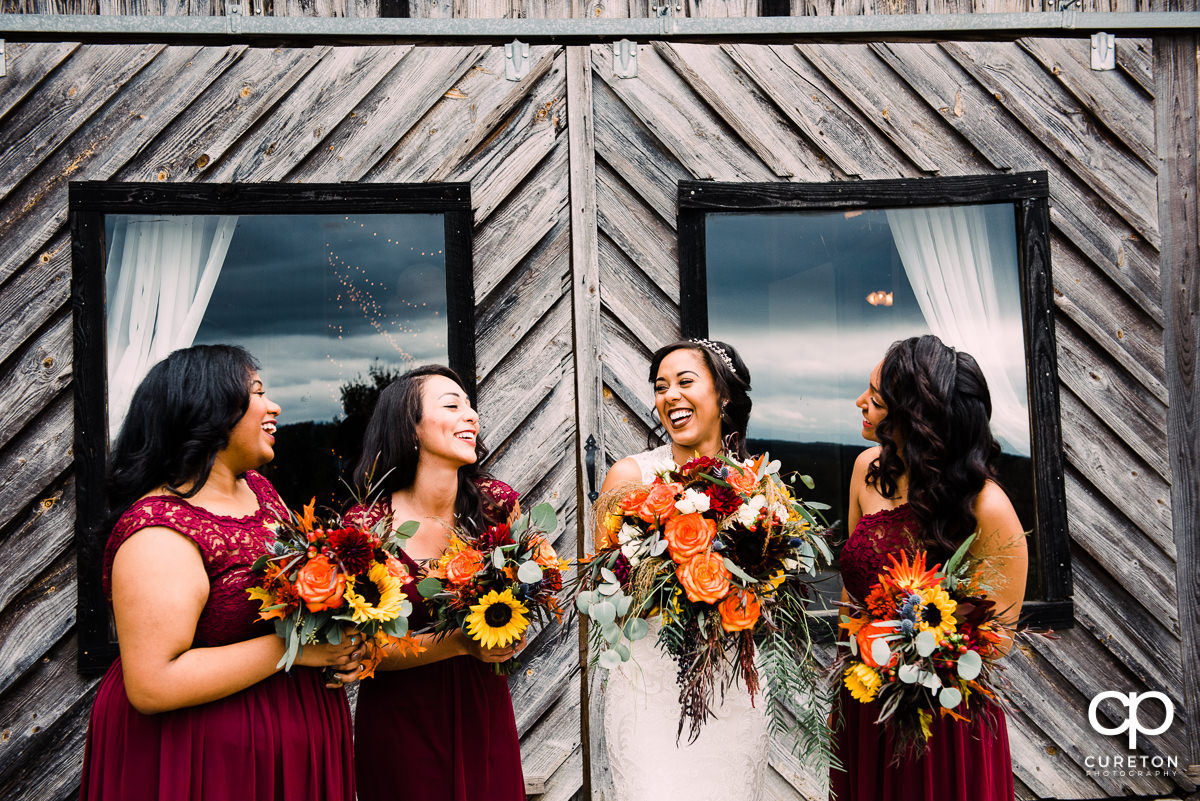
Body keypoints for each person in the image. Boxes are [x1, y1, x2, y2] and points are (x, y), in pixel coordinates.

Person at [79, 345, 364, 801]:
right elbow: (153, 684)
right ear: (207, 410)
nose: (274, 406)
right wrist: (293, 653)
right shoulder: (157, 529)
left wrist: (337, 637)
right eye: (257, 392)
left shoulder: (260, 491)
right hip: (202, 754)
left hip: (287, 732)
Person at [832, 334, 1028, 801]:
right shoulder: (867, 469)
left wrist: (909, 652)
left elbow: (996, 640)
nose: (860, 403)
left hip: (940, 716)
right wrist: (851, 670)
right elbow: (849, 598)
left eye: (875, 400)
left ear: (914, 418)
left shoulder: (987, 506)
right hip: (864, 700)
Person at [596, 339, 769, 801]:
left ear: (724, 396)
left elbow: (771, 590)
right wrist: (665, 583)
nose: (670, 395)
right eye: (660, 386)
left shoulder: (759, 488)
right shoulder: (629, 478)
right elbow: (601, 592)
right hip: (648, 692)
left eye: (684, 382)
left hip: (732, 691)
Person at [347, 365, 525, 801]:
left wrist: (508, 635)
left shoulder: (496, 506)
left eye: (469, 404)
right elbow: (359, 649)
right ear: (410, 430)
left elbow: (522, 602)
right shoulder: (367, 528)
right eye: (452, 405)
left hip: (483, 711)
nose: (471, 415)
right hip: (400, 721)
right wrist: (461, 643)